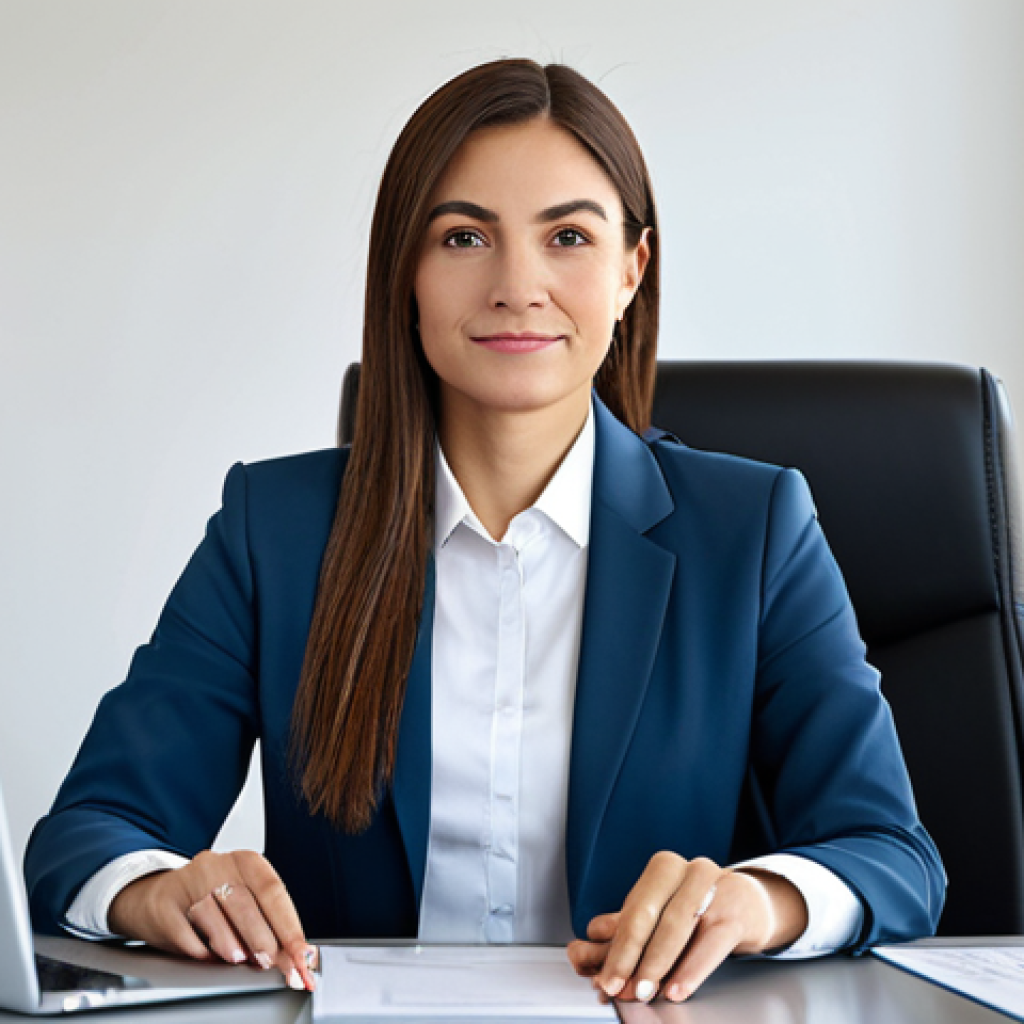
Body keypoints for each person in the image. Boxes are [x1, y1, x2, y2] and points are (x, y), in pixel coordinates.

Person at [24, 58, 945, 1004]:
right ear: (406, 274)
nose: (518, 286)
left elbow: (892, 857)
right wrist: (153, 888)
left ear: (633, 271)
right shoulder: (276, 530)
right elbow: (87, 834)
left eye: (569, 237)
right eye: (465, 236)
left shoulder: (753, 533)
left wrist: (761, 901)